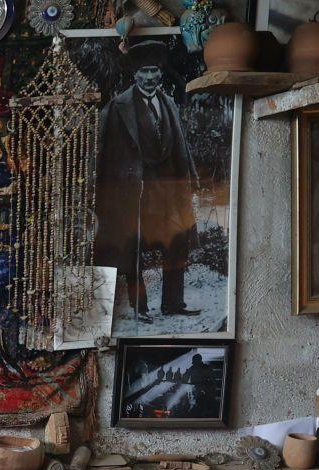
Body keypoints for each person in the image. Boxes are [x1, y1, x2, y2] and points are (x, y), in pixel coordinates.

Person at [95, 40, 199, 322]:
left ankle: (173, 303)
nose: (151, 77)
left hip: (166, 192)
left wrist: (189, 183)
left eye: (155, 70)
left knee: (177, 240)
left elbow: (180, 147)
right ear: (135, 75)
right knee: (134, 248)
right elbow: (102, 153)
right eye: (145, 71)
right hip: (133, 192)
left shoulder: (168, 104)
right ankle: (140, 308)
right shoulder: (118, 108)